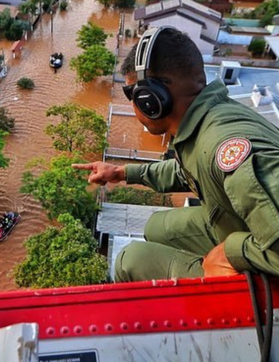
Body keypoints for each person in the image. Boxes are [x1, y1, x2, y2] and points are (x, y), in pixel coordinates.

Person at [73, 27, 279, 282]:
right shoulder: (204, 121)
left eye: (132, 93)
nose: (133, 102)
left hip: (266, 254)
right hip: (240, 225)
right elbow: (189, 168)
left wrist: (231, 252)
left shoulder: (226, 149)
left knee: (131, 259)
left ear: (152, 98)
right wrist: (122, 172)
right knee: (156, 227)